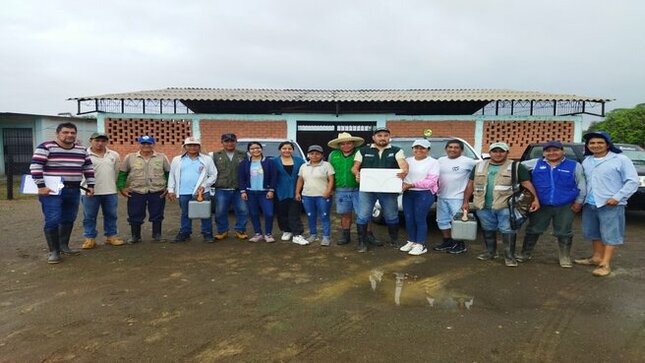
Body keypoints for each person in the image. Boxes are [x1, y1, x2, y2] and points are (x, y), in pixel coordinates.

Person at [462, 142, 540, 267]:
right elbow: (470, 184)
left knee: (508, 230)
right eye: (495, 151)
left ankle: (509, 256)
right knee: (488, 229)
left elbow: (527, 184)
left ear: (507, 153)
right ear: (490, 152)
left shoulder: (516, 166)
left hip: (506, 206)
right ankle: (490, 252)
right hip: (483, 206)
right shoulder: (479, 166)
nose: (498, 154)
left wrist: (535, 199)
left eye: (501, 151)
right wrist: (465, 202)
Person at [574, 131, 639, 277]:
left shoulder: (620, 159)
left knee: (610, 234)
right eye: (592, 143)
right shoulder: (587, 161)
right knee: (593, 232)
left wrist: (617, 197)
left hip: (611, 204)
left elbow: (632, 181)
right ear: (587, 146)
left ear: (607, 144)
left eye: (600, 143)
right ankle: (596, 257)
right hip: (590, 203)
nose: (595, 145)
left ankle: (605, 264)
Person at [30, 122, 95, 264]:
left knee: (69, 218)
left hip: (73, 189)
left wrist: (90, 185)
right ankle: (54, 251)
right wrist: (41, 186)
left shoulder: (81, 149)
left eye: (72, 133)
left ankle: (64, 245)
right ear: (58, 134)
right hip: (52, 191)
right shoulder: (46, 147)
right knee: (53, 219)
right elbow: (36, 166)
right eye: (65, 132)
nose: (69, 135)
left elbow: (88, 167)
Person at [517, 140, 586, 268]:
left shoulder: (574, 165)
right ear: (544, 152)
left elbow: (581, 185)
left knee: (564, 231)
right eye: (548, 151)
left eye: (555, 150)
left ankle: (564, 257)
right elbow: (516, 167)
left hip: (565, 205)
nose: (552, 153)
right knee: (533, 229)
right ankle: (525, 253)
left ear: (562, 151)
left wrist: (579, 202)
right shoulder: (535, 163)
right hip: (540, 204)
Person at [352, 126, 409, 252]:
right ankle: (362, 242)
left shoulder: (396, 150)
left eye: (385, 135)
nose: (382, 138)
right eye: (379, 135)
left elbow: (403, 164)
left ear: (389, 137)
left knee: (391, 215)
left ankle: (394, 240)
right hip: (367, 189)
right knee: (363, 216)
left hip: (388, 190)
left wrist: (405, 170)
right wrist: (357, 174)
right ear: (374, 137)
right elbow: (355, 167)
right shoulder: (362, 151)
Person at [327, 132, 381, 246]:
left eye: (349, 143)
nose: (346, 146)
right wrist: (330, 187)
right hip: (341, 189)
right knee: (345, 214)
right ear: (339, 145)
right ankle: (346, 235)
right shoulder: (333, 155)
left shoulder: (360, 152)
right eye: (342, 144)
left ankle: (368, 235)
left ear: (353, 144)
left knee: (364, 214)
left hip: (360, 189)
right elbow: (330, 172)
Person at [117, 136, 170, 244]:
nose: (146, 146)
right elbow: (122, 173)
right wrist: (122, 187)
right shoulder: (130, 157)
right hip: (136, 191)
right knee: (135, 214)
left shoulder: (161, 157)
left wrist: (169, 187)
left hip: (157, 190)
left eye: (149, 143)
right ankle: (135, 236)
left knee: (157, 213)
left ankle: (157, 235)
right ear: (139, 144)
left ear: (153, 144)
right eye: (143, 143)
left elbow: (168, 173)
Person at [167, 137, 218, 243]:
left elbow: (213, 174)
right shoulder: (177, 159)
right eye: (189, 145)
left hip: (202, 192)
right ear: (185, 147)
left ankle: (207, 234)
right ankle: (185, 233)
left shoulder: (206, 159)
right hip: (183, 192)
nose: (192, 147)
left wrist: (205, 185)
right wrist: (171, 189)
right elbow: (172, 175)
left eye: (195, 145)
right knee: (185, 213)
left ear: (199, 147)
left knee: (205, 213)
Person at [433, 139, 478, 254]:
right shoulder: (440, 161)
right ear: (446, 149)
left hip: (458, 198)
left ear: (461, 150)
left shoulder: (468, 162)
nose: (452, 149)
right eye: (450, 147)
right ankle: (447, 242)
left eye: (456, 147)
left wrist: (467, 199)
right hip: (442, 196)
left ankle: (460, 245)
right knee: (442, 221)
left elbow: (481, 172)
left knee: (458, 222)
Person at [81, 132, 124, 249]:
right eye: (97, 140)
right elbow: (80, 172)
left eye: (103, 141)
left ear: (107, 142)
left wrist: (112, 185)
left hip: (110, 191)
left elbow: (116, 172)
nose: (100, 143)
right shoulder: (84, 154)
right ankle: (90, 238)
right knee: (89, 216)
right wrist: (83, 187)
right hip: (89, 191)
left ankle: (111, 236)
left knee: (111, 215)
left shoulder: (113, 155)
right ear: (91, 140)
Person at [398, 139, 440, 256]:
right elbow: (400, 174)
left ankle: (420, 244)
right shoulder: (407, 161)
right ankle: (411, 241)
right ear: (412, 149)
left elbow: (431, 181)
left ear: (428, 150)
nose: (419, 150)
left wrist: (411, 184)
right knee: (409, 218)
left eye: (422, 148)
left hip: (424, 194)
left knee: (419, 218)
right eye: (416, 148)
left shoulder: (433, 162)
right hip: (408, 193)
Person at [295, 145, 335, 246]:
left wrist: (328, 191)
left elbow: (331, 180)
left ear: (321, 155)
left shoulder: (326, 165)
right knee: (310, 216)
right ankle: (313, 235)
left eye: (317, 154)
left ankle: (326, 237)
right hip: (307, 196)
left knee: (324, 216)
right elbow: (300, 180)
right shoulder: (304, 166)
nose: (314, 155)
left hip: (322, 196)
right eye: (312, 153)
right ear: (308, 155)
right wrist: (297, 192)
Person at [211, 133, 249, 240]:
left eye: (232, 141)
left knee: (243, 210)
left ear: (236, 142)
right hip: (222, 188)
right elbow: (211, 171)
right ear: (222, 142)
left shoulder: (243, 155)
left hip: (239, 188)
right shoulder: (215, 155)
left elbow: (246, 171)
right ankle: (222, 231)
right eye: (226, 141)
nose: (229, 143)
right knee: (220, 211)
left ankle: (240, 230)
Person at [239, 141, 278, 242]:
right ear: (248, 151)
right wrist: (243, 191)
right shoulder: (244, 163)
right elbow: (241, 178)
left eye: (257, 148)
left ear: (261, 149)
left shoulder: (269, 162)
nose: (255, 150)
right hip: (250, 193)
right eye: (252, 149)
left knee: (269, 213)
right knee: (253, 213)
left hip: (265, 193)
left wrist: (271, 190)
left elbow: (274, 177)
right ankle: (258, 234)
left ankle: (268, 234)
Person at [273, 141, 308, 245]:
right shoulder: (274, 161)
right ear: (280, 150)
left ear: (292, 150)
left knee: (294, 213)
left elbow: (304, 174)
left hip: (295, 191)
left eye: (289, 148)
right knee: (282, 213)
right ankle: (286, 230)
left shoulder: (299, 161)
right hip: (280, 191)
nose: (287, 150)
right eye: (284, 148)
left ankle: (297, 234)